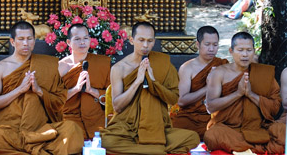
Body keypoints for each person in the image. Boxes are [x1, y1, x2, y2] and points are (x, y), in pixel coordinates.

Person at [0, 21, 83, 155]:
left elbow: (59, 101)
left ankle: (29, 146)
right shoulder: (0, 68)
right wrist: (20, 89)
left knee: (72, 129)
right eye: (21, 39)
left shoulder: (47, 64)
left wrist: (39, 91)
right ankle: (38, 148)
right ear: (12, 42)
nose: (26, 43)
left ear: (34, 41)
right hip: (12, 128)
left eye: (30, 39)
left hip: (42, 128)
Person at [101, 22, 199, 155]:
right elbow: (117, 106)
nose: (145, 45)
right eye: (141, 40)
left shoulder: (162, 63)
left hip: (157, 128)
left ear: (154, 42)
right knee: (108, 142)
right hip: (126, 128)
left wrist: (153, 81)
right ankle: (156, 151)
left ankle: (150, 150)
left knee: (192, 138)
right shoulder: (119, 68)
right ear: (131, 40)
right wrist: (137, 82)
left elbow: (173, 98)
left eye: (149, 41)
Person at [204, 31, 283, 153]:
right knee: (212, 135)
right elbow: (210, 107)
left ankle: (247, 150)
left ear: (254, 51)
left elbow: (275, 108)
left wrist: (251, 95)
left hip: (259, 128)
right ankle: (256, 149)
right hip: (228, 128)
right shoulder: (219, 73)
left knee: (282, 131)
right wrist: (237, 94)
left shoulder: (264, 73)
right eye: (240, 50)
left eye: (249, 50)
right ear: (231, 51)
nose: (245, 55)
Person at [171, 25, 228, 139]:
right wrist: (208, 87)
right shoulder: (187, 68)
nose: (211, 49)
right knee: (176, 127)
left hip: (214, 115)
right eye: (207, 45)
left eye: (215, 45)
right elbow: (181, 101)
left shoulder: (223, 65)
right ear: (198, 45)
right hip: (190, 116)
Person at [58, 23, 111, 139]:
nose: (82, 42)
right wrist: (76, 89)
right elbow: (54, 100)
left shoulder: (102, 64)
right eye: (77, 39)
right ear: (68, 43)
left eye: (85, 38)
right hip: (69, 119)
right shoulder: (61, 67)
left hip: (98, 118)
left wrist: (91, 90)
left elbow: (113, 97)